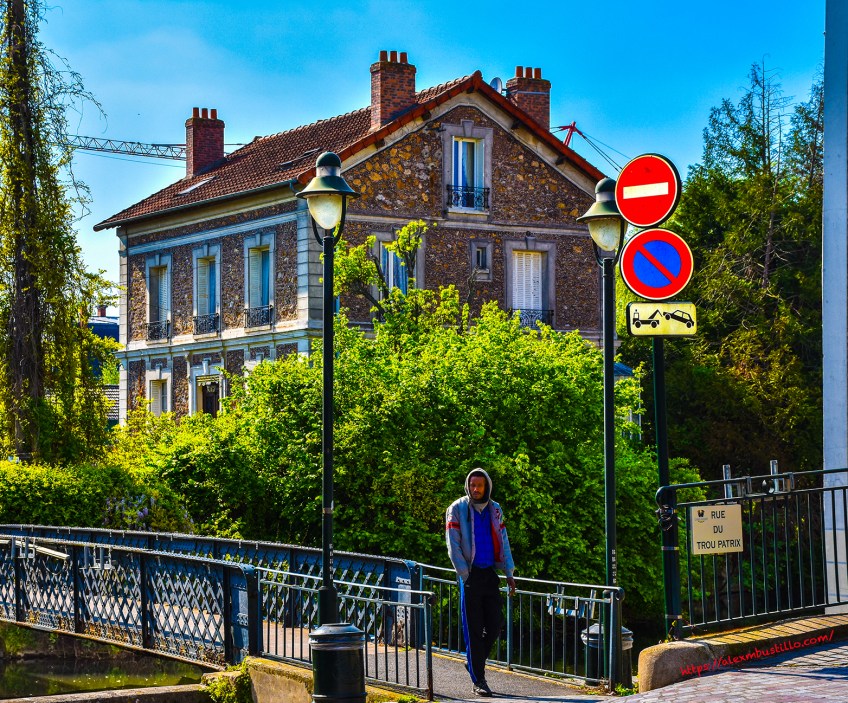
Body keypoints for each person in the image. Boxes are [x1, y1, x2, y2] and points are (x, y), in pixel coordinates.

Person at [445, 468, 516, 696]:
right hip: (470, 576)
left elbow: (503, 540)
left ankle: (473, 663)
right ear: (468, 485)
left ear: (487, 487)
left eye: (480, 486)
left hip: (489, 575)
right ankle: (479, 681)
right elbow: (452, 545)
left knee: (495, 625)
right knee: (474, 630)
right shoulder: (457, 509)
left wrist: (509, 572)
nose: (476, 489)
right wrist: (465, 575)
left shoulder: (495, 509)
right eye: (472, 485)